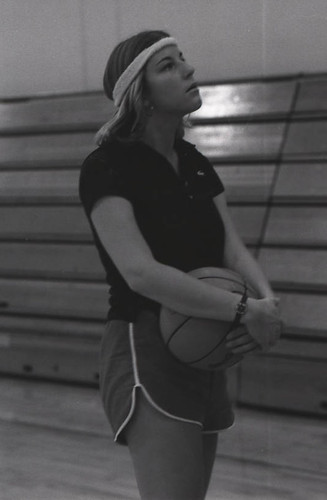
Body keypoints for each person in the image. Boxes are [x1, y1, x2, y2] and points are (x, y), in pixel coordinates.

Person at [79, 30, 282, 500]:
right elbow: (140, 273)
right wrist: (240, 310)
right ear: (140, 94)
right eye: (167, 66)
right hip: (144, 341)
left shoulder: (193, 159)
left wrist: (266, 304)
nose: (188, 70)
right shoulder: (106, 165)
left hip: (205, 339)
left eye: (182, 59)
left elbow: (230, 246)